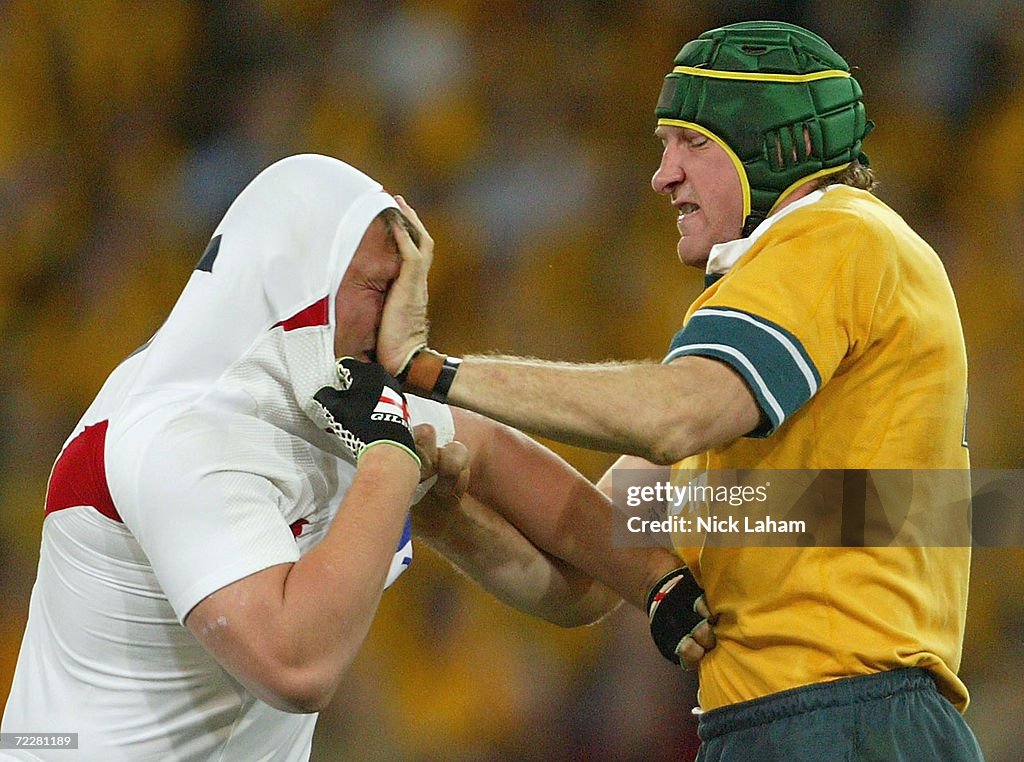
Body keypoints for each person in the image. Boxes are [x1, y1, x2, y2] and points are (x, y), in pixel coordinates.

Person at [376, 20, 984, 761]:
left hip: (840, 720)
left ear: (771, 144)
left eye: (692, 142)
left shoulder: (836, 234)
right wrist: (439, 501)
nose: (663, 175)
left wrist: (432, 370)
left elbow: (674, 415)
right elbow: (577, 583)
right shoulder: (767, 370)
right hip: (794, 723)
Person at [0, 154, 693, 760]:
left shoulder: (330, 388)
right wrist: (394, 462)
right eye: (378, 288)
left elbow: (586, 569)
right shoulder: (179, 436)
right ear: (295, 283)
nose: (401, 319)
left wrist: (678, 560)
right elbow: (296, 666)